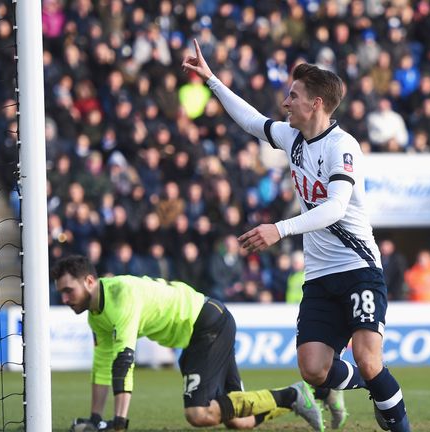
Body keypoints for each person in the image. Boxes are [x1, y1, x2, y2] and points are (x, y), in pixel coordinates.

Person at [183, 40, 410, 431]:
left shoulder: (343, 146)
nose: (286, 102)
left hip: (358, 267)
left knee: (369, 360)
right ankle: (373, 387)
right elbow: (252, 121)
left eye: (294, 95)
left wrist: (279, 229)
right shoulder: (294, 139)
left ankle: (391, 410)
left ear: (317, 103)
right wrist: (213, 81)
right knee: (313, 369)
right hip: (319, 276)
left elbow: (336, 208)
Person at [51, 255, 325, 432]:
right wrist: (96, 418)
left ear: (89, 281)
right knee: (239, 421)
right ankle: (292, 396)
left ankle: (294, 395)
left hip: (206, 324)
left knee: (197, 413)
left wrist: (119, 424)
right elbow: (101, 367)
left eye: (68, 290)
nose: (64, 298)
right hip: (201, 330)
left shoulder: (121, 295)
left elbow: (124, 362)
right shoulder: (96, 317)